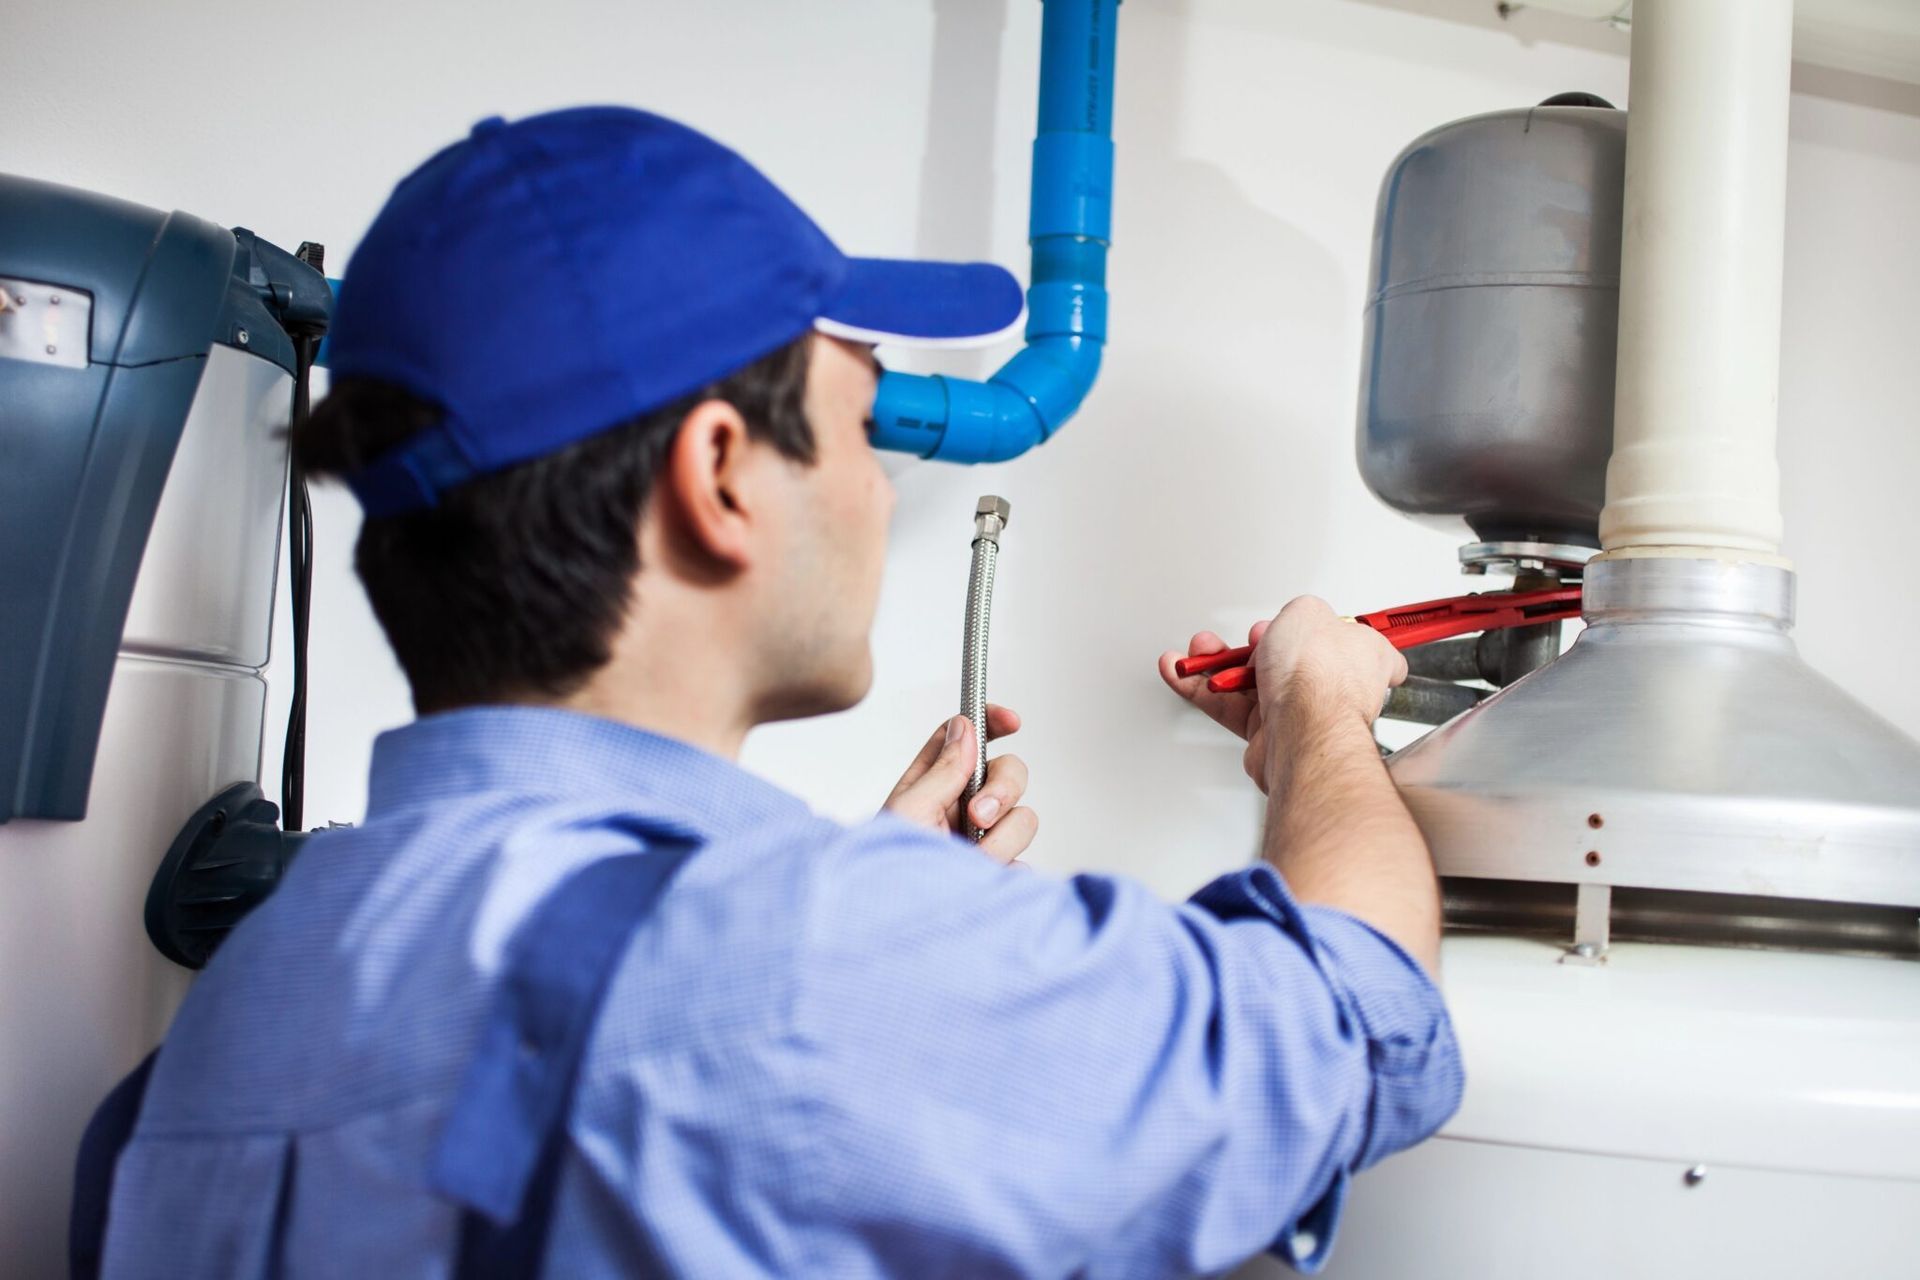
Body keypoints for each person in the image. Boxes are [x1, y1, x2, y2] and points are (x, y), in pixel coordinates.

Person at [91, 107, 1461, 1278]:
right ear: (722, 475)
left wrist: (848, 910)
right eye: (864, 422)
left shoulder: (245, 997)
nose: (876, 483)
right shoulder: (803, 966)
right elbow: (1351, 1022)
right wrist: (1325, 712)